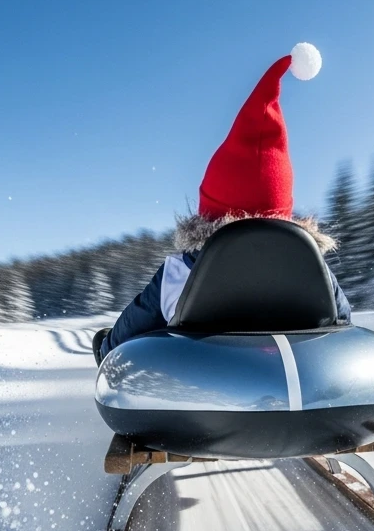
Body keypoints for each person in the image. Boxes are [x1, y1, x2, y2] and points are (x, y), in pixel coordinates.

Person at [93, 43, 351, 366]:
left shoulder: (183, 270)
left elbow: (134, 325)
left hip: (203, 395)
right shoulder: (313, 267)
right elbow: (343, 323)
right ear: (284, 212)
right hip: (299, 383)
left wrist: (106, 348)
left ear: (210, 210)